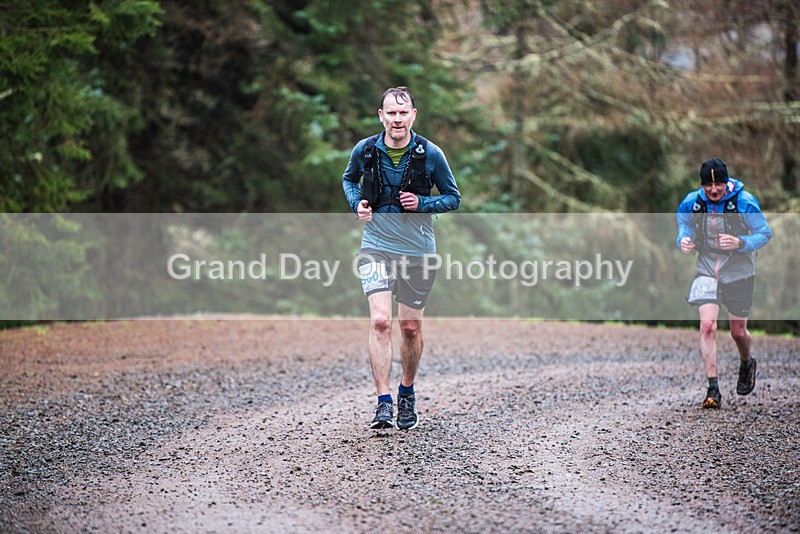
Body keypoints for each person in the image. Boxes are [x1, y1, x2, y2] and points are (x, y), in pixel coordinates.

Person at [341, 86, 461, 429]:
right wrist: (357, 204)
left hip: (418, 252)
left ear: (413, 115)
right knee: (380, 322)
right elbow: (349, 181)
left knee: (409, 327)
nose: (396, 119)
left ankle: (406, 392)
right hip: (375, 246)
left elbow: (453, 197)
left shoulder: (431, 154)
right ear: (381, 116)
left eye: (402, 112)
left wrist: (423, 204)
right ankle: (383, 402)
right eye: (390, 113)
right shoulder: (365, 150)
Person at [676, 157, 771, 409]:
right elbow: (682, 221)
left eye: (718, 185)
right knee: (707, 326)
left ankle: (746, 362)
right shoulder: (694, 201)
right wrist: (683, 239)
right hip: (706, 266)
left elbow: (764, 233)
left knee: (738, 332)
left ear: (727, 183)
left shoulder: (744, 202)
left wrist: (741, 243)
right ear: (702, 185)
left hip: (739, 269)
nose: (714, 190)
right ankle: (713, 389)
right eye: (708, 186)